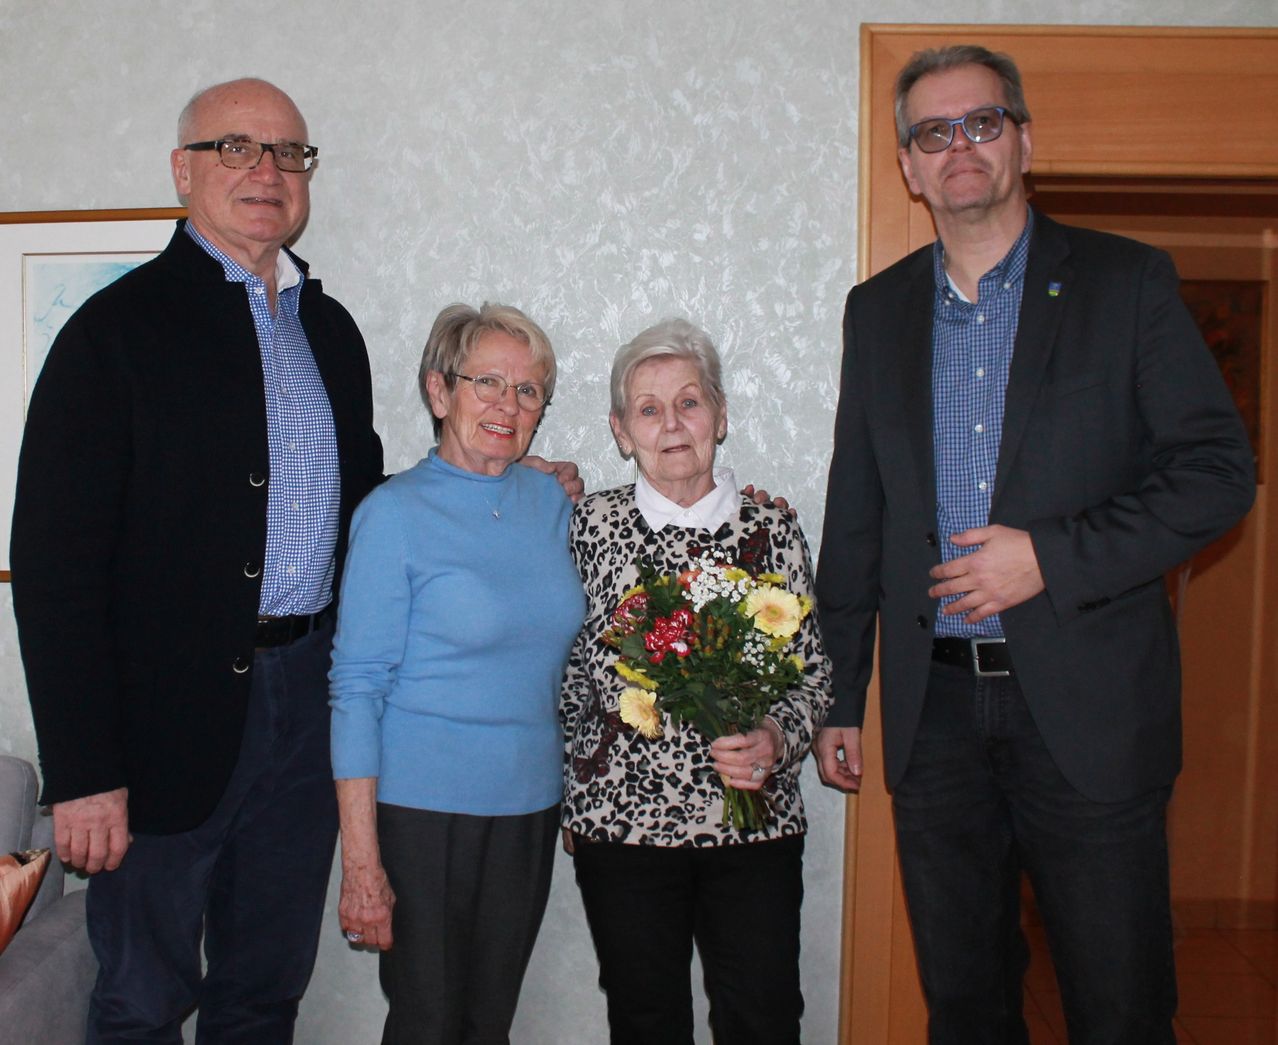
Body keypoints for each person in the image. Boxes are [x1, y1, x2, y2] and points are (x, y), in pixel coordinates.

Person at [8, 80, 580, 1042]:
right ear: (183, 169)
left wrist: (499, 475)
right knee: (141, 998)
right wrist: (83, 770)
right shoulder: (113, 334)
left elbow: (363, 507)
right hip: (160, 730)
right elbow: (54, 567)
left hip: (305, 707)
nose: (266, 172)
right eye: (237, 149)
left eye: (288, 154)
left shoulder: (331, 330)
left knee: (264, 990)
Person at [815, 45, 1256, 1042]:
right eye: (934, 131)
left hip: (1092, 715)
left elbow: (1215, 473)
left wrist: (1049, 554)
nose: (959, 146)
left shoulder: (1125, 283)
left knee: (1120, 1004)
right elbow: (857, 510)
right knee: (966, 1006)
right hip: (934, 720)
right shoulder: (876, 313)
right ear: (908, 166)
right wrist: (841, 693)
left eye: (983, 122)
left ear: (1024, 140)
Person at [561, 318, 832, 1045]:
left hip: (753, 820)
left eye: (689, 401)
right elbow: (564, 681)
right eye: (648, 409)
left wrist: (776, 735)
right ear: (621, 430)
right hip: (623, 827)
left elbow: (812, 673)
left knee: (764, 1018)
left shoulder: (772, 531)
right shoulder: (584, 527)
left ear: (719, 413)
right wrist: (576, 789)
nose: (672, 423)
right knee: (646, 1022)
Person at [329, 302, 586, 1045]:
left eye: (529, 390)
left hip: (530, 807)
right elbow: (355, 689)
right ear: (440, 392)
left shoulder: (550, 501)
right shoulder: (393, 514)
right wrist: (361, 861)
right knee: (428, 1023)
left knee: (488, 1024)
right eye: (488, 383)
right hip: (421, 813)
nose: (508, 404)